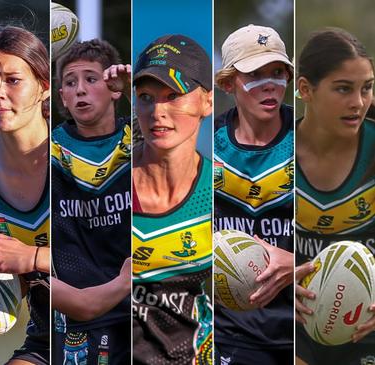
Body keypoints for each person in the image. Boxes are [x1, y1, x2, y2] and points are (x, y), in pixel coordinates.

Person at [213, 24, 295, 364]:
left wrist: (299, 264)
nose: (270, 86)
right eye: (255, 74)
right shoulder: (205, 145)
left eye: (277, 73)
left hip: (307, 323)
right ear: (230, 83)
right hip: (234, 333)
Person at [0, 24, 51, 365]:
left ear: (44, 87)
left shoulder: (79, 160)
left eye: (12, 80)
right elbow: (16, 277)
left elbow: (116, 260)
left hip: (116, 329)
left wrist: (32, 257)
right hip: (46, 337)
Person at [131, 34, 213, 365]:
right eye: (146, 97)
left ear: (207, 102)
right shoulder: (106, 182)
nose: (157, 111)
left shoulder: (221, 192)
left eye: (173, 96)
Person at [295, 27, 375, 365]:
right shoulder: (273, 155)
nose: (358, 103)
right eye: (343, 89)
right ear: (305, 89)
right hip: (294, 321)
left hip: (366, 324)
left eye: (367, 88)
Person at [51, 39, 132, 364]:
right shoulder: (50, 150)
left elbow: (173, 131)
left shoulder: (137, 138)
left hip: (142, 309)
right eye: (71, 82)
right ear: (62, 98)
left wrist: (134, 88)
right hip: (81, 318)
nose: (80, 89)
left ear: (114, 88)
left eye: (91, 79)